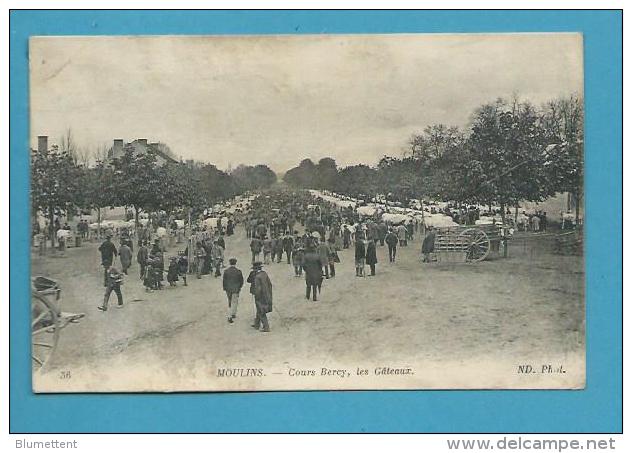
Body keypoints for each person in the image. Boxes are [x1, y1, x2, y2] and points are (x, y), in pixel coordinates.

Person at [247, 261, 273, 332]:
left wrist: (257, 295)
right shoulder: (264, 274)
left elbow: (258, 289)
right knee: (259, 309)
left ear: (255, 269)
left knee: (261, 310)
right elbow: (270, 284)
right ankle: (257, 324)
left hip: (260, 296)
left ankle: (266, 327)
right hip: (267, 294)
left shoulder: (257, 277)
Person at [222, 258, 244, 323]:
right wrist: (239, 287)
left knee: (229, 301)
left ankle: (231, 313)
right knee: (234, 302)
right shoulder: (238, 271)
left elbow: (224, 281)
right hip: (236, 289)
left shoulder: (226, 271)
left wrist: (225, 288)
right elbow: (241, 281)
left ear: (230, 263)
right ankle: (231, 315)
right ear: (235, 263)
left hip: (228, 289)